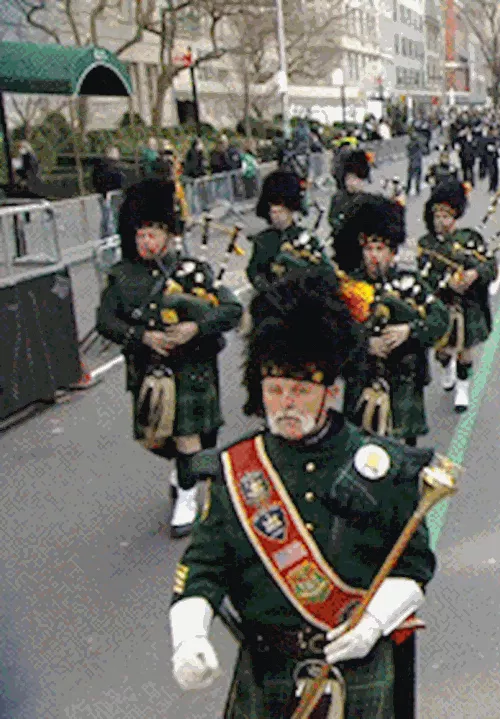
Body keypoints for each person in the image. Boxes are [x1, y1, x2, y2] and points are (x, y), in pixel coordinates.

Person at [167, 266, 437, 718]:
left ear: (330, 391)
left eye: (299, 390)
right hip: (268, 665)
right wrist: (190, 636)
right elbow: (204, 567)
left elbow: (415, 564)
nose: (286, 403)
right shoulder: (238, 469)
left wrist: (372, 623)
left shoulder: (383, 464)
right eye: (274, 390)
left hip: (357, 662)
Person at [94, 179, 244, 537]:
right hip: (148, 370)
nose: (145, 242)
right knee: (152, 438)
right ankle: (183, 468)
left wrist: (196, 327)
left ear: (169, 234)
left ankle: (188, 498)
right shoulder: (121, 275)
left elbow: (231, 309)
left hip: (191, 368)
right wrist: (142, 336)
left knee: (189, 435)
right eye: (140, 235)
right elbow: (105, 320)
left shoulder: (193, 270)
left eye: (152, 234)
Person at [341, 197, 450, 446]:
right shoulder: (349, 287)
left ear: (392, 254)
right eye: (369, 249)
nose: (374, 256)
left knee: (404, 457)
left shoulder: (409, 282)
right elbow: (332, 332)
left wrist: (409, 331)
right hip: (362, 380)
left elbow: (440, 319)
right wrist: (365, 344)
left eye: (380, 250)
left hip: (405, 382)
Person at [419, 180, 497, 412]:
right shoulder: (426, 244)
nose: (441, 222)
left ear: (455, 216)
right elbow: (423, 278)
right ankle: (446, 369)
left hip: (468, 304)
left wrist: (475, 274)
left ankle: (463, 389)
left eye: (446, 217)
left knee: (465, 350)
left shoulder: (470, 238)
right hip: (441, 305)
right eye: (437, 217)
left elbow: (491, 266)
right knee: (441, 350)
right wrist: (445, 284)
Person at [246, 170, 310, 294]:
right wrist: (267, 289)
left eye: (280, 211)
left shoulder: (304, 236)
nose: (275, 216)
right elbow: (254, 271)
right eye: (273, 211)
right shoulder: (263, 240)